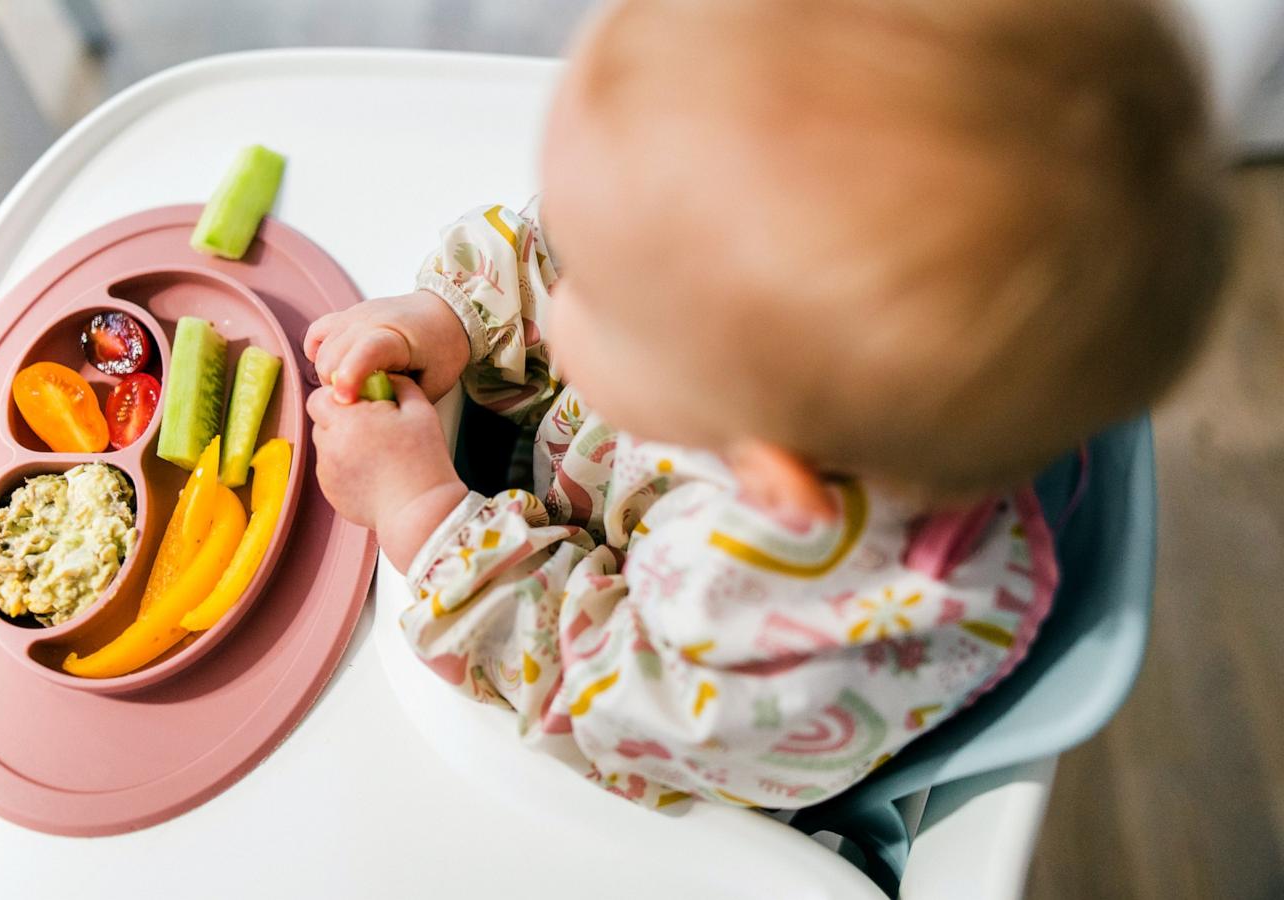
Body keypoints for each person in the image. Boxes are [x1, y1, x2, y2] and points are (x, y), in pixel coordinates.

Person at [302, 0, 1229, 808]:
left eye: (594, 289)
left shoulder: (781, 609)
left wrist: (425, 517)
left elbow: (597, 693)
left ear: (752, 469)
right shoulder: (752, 355)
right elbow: (589, 247)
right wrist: (459, 313)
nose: (564, 272)